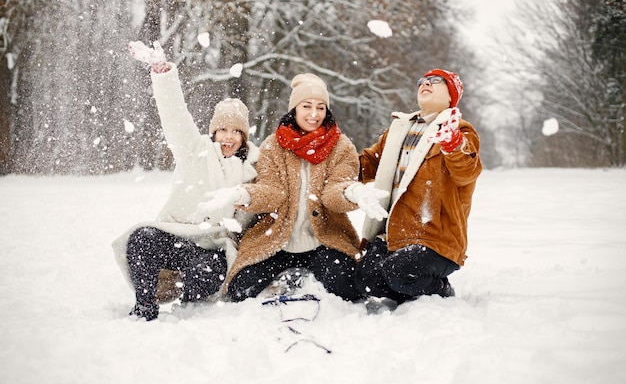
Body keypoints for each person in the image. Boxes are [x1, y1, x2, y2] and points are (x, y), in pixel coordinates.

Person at [200, 73, 387, 302]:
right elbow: (271, 191)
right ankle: (287, 275)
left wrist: (353, 192)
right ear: (294, 109)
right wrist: (242, 194)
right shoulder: (273, 145)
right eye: (306, 106)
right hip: (276, 239)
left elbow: (333, 191)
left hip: (323, 240)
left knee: (348, 290)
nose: (313, 114)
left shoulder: (341, 146)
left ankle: (310, 276)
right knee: (240, 290)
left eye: (320, 107)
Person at [112, 41, 259, 321]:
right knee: (141, 239)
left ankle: (190, 304)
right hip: (174, 236)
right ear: (213, 132)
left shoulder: (252, 167)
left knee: (209, 269)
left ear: (243, 136)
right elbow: (174, 116)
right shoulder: (196, 150)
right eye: (222, 130)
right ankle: (145, 306)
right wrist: (163, 73)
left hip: (210, 248)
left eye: (235, 131)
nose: (228, 137)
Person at [355, 68, 482, 304]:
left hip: (435, 238)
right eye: (422, 80)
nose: (426, 83)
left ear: (451, 95)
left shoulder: (461, 131)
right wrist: (332, 156)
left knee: (399, 272)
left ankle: (440, 289)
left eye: (435, 81)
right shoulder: (398, 129)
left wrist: (453, 144)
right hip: (394, 235)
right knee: (366, 282)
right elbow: (368, 164)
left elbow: (467, 171)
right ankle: (410, 288)